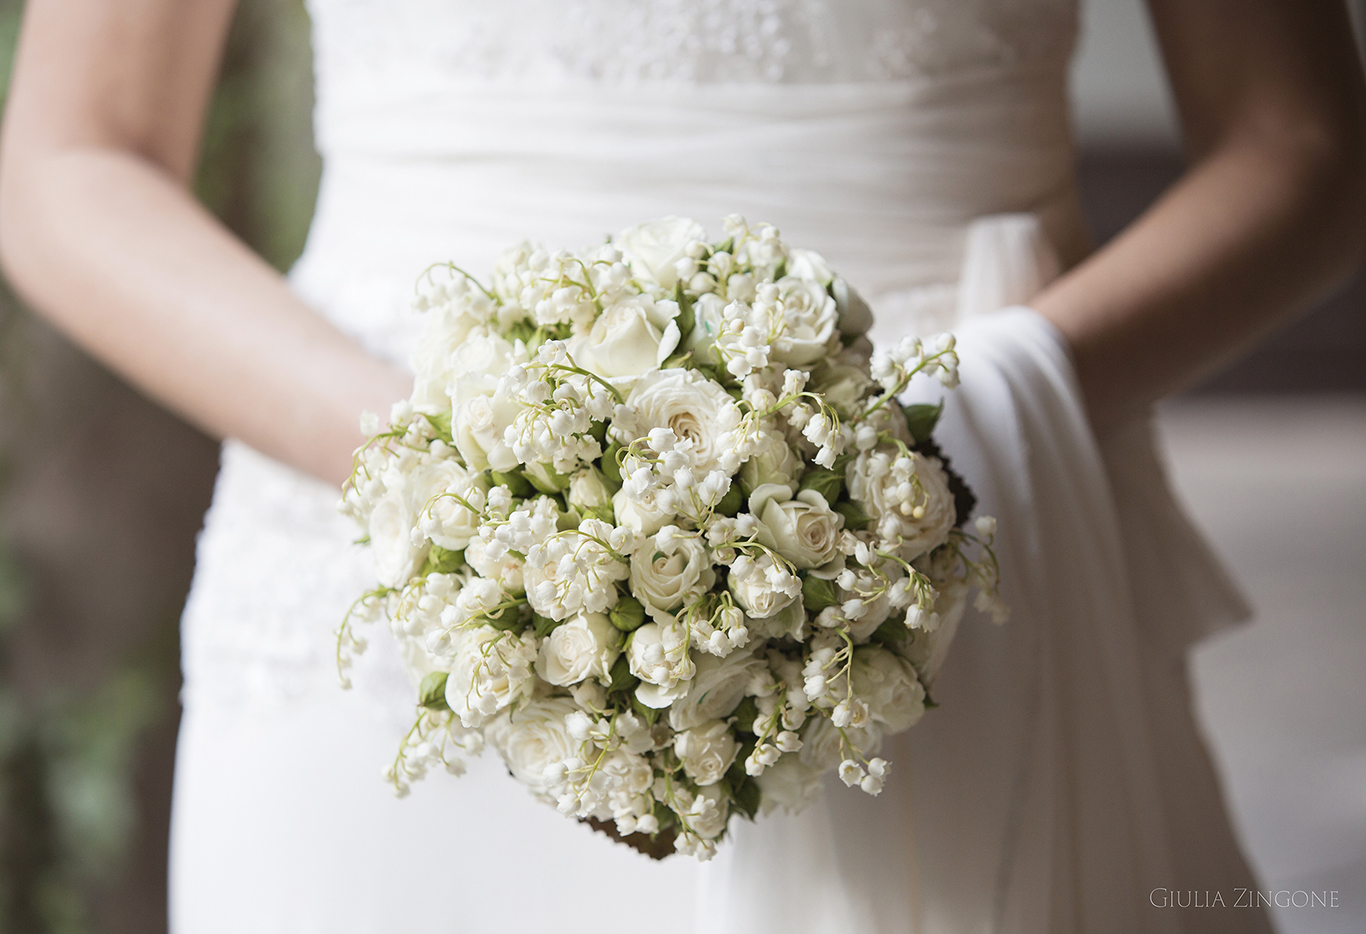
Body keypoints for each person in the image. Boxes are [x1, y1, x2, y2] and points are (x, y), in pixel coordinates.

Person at [0, 1, 1362, 931]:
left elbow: (1301, 147)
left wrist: (926, 446)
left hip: (938, 552)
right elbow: (73, 156)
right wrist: (467, 487)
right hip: (378, 565)